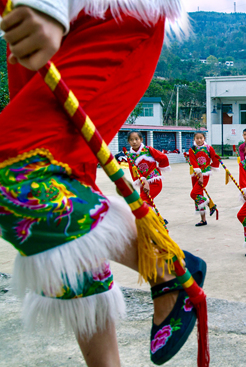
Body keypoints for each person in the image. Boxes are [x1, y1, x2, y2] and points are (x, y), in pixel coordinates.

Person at [0, 1, 205, 366]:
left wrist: (48, 5)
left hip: (101, 13)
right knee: (63, 193)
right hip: (27, 17)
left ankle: (166, 267)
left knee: (15, 171)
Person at [126, 131, 171, 207]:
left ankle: (153, 218)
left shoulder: (148, 150)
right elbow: (134, 171)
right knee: (147, 204)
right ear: (128, 142)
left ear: (141, 140)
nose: (134, 142)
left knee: (142, 202)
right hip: (144, 183)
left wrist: (159, 168)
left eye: (136, 139)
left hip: (155, 181)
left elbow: (163, 157)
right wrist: (144, 181)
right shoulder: (130, 156)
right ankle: (157, 219)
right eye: (131, 140)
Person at [188, 131, 220, 226]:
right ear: (194, 139)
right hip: (196, 175)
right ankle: (203, 219)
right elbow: (193, 162)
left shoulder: (208, 148)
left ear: (204, 138)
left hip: (205, 174)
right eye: (197, 138)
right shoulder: (192, 150)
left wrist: (215, 163)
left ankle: (210, 204)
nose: (199, 140)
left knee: (194, 194)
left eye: (201, 138)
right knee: (198, 196)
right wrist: (199, 174)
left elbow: (214, 158)